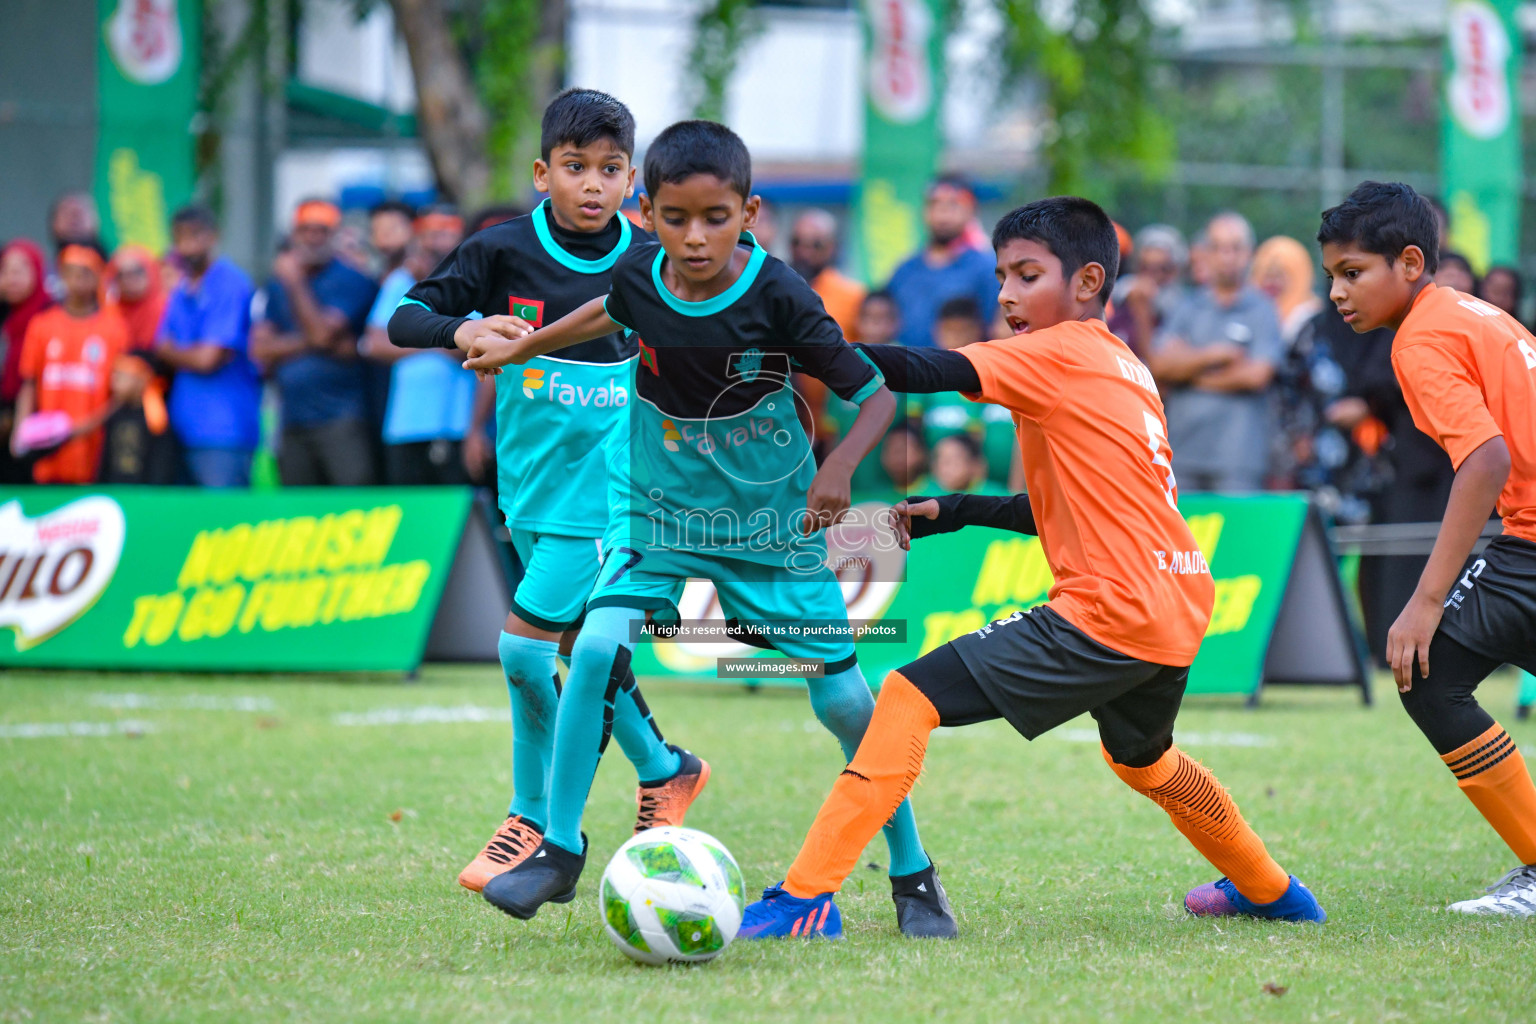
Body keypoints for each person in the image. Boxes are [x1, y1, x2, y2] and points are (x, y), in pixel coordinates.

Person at [739, 197, 1325, 939]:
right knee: (1146, 761)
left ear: (1085, 282)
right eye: (1001, 277)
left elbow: (922, 366)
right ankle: (1273, 891)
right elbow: (1075, 505)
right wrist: (958, 511)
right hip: (1174, 603)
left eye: (1026, 275)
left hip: (1111, 610)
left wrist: (793, 345)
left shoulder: (1059, 349)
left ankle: (805, 898)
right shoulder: (1124, 364)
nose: (1008, 295)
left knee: (907, 695)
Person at [459, 119, 949, 937]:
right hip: (661, 515)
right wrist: (527, 348)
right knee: (594, 646)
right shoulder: (640, 276)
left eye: (716, 218)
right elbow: (602, 309)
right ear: (647, 214)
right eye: (677, 218)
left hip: (768, 529)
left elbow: (879, 397)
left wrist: (837, 473)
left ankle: (912, 870)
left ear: (748, 212)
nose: (695, 238)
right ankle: (559, 847)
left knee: (844, 704)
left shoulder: (780, 294)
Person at [388, 89, 705, 893]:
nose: (593, 185)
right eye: (575, 168)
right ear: (542, 173)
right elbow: (404, 317)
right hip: (528, 488)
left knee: (522, 650)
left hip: (610, 499)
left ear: (632, 179)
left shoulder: (650, 260)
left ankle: (531, 819)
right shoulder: (500, 252)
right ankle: (666, 768)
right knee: (571, 652)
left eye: (609, 170)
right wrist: (462, 329)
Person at [1319, 181, 1536, 915]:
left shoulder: (1422, 338)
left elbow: (1486, 461)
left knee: (1426, 664)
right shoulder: (1476, 314)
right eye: (1331, 277)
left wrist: (1425, 598)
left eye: (1352, 273)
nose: (1337, 293)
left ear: (1410, 262)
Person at [1148, 212, 1282, 492]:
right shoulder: (1187, 306)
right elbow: (1159, 366)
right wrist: (1215, 355)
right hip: (1183, 454)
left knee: (1239, 535)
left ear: (1249, 254)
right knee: (1182, 534)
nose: (1227, 256)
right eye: (1219, 247)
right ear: (1206, 253)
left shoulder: (1263, 310)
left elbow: (1257, 375)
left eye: (1235, 247)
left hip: (1238, 460)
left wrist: (1188, 371)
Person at [251, 199, 378, 486]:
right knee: (300, 513)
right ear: (294, 234)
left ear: (334, 235)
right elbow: (261, 350)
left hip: (341, 420)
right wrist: (322, 342)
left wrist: (295, 282)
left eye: (321, 230)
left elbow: (320, 334)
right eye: (305, 230)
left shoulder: (352, 279)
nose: (312, 237)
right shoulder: (275, 285)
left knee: (352, 507)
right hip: (292, 419)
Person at [363, 208, 476, 484]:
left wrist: (415, 336)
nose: (436, 243)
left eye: (444, 236)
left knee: (453, 509)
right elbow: (373, 344)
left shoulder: (474, 282)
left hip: (453, 422)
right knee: (409, 507)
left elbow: (469, 348)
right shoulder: (400, 281)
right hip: (404, 423)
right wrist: (438, 343)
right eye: (429, 236)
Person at [155, 205, 262, 488]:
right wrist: (179, 352)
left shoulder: (230, 283)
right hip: (180, 428)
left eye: (195, 236)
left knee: (223, 524)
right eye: (180, 237)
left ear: (213, 236)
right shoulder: (181, 288)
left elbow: (208, 358)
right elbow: (159, 346)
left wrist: (174, 352)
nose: (187, 246)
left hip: (223, 430)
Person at [11, 246, 129, 483]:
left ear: (99, 277)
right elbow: (29, 383)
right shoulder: (42, 325)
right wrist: (20, 431)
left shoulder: (115, 329)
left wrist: (79, 429)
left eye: (85, 272)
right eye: (70, 272)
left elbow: (121, 392)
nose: (76, 280)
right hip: (45, 449)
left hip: (93, 448)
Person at [885, 175, 999, 348]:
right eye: (934, 204)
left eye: (953, 205)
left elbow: (997, 332)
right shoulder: (905, 270)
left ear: (971, 211)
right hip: (905, 370)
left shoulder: (987, 269)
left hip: (961, 370)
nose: (943, 213)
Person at [0, 240, 52, 483]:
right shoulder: (6, 318)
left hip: (38, 426)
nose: (12, 278)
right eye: (6, 271)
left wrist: (18, 424)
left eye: (20, 270)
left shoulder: (50, 316)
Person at [96, 354, 178, 484]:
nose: (114, 383)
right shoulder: (113, 413)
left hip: (144, 495)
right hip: (114, 491)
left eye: (123, 377)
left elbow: (161, 463)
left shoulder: (156, 418)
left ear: (142, 380)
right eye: (114, 376)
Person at [1110, 224, 1188, 357]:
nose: (1153, 278)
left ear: (1176, 271)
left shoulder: (1186, 313)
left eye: (1163, 268)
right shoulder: (1120, 308)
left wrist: (1143, 312)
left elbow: (1157, 365)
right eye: (1146, 268)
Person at [790, 209, 865, 340]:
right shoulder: (776, 287)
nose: (803, 252)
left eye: (816, 245)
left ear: (832, 247)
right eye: (797, 242)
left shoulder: (854, 295)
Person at [1251, 236, 1324, 348]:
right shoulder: (1249, 312)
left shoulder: (1310, 317)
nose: (1272, 283)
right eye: (1267, 276)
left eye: (1279, 276)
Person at [105, 245, 169, 351]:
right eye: (122, 274)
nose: (129, 279)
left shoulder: (166, 309)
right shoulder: (108, 312)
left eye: (137, 272)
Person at [369, 199, 416, 276]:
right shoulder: (370, 272)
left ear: (411, 229)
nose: (384, 236)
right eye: (378, 229)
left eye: (393, 228)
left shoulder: (422, 273)